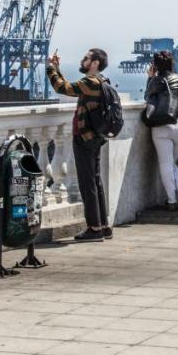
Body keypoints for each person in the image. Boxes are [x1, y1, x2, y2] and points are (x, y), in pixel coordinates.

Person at [48, 47, 114, 242]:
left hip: (85, 138)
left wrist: (50, 69)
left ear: (94, 63)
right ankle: (103, 226)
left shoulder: (89, 82)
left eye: (86, 58)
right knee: (95, 181)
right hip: (96, 136)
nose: (82, 60)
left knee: (88, 184)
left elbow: (62, 88)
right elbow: (70, 85)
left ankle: (94, 228)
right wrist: (57, 68)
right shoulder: (102, 81)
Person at [144, 50, 178, 211]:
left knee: (166, 164)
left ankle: (172, 201)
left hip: (162, 126)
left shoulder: (156, 80)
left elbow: (148, 97)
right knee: (171, 163)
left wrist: (150, 78)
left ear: (155, 65)